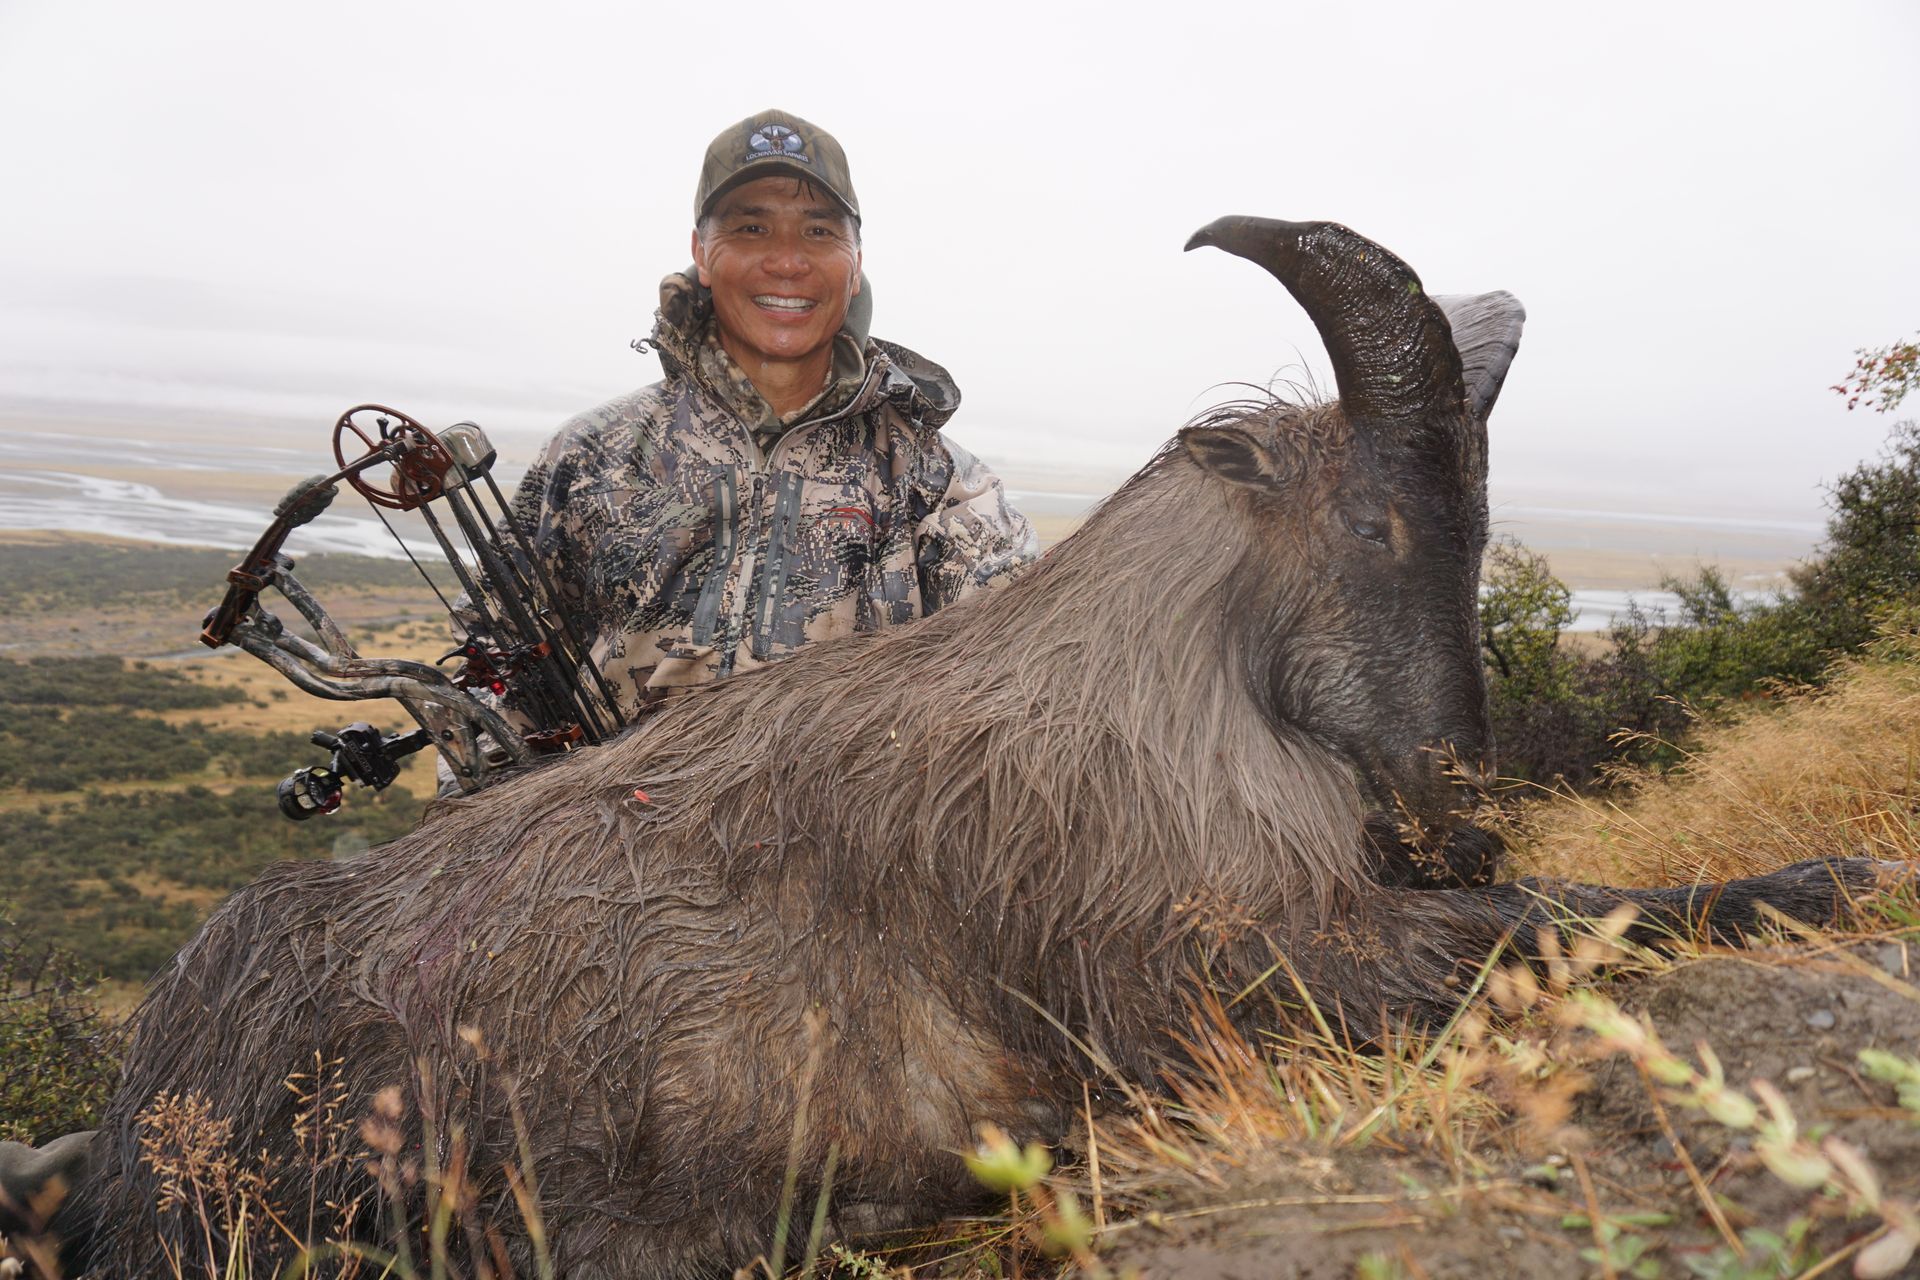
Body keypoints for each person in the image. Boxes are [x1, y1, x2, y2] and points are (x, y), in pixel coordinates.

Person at [491, 108, 1037, 726]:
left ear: (856, 263)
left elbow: (1020, 679)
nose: (787, 261)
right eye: (751, 228)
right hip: (603, 793)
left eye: (818, 231)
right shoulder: (591, 454)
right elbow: (494, 677)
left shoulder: (940, 485)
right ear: (701, 252)